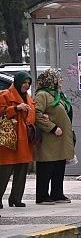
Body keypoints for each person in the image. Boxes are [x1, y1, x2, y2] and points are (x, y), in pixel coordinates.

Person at [34, 69, 75, 204]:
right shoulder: (42, 95)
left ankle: (57, 193)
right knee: (46, 167)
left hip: (60, 139)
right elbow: (37, 114)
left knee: (58, 166)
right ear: (51, 80)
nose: (61, 80)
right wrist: (52, 127)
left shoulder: (57, 95)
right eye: (59, 77)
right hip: (49, 139)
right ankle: (42, 196)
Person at [0, 72, 36, 208]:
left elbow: (32, 114)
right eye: (24, 82)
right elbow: (1, 112)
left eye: (28, 83)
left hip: (24, 138)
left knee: (22, 169)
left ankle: (15, 198)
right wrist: (15, 108)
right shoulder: (6, 95)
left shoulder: (28, 98)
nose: (26, 85)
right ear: (18, 82)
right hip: (9, 139)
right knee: (4, 170)